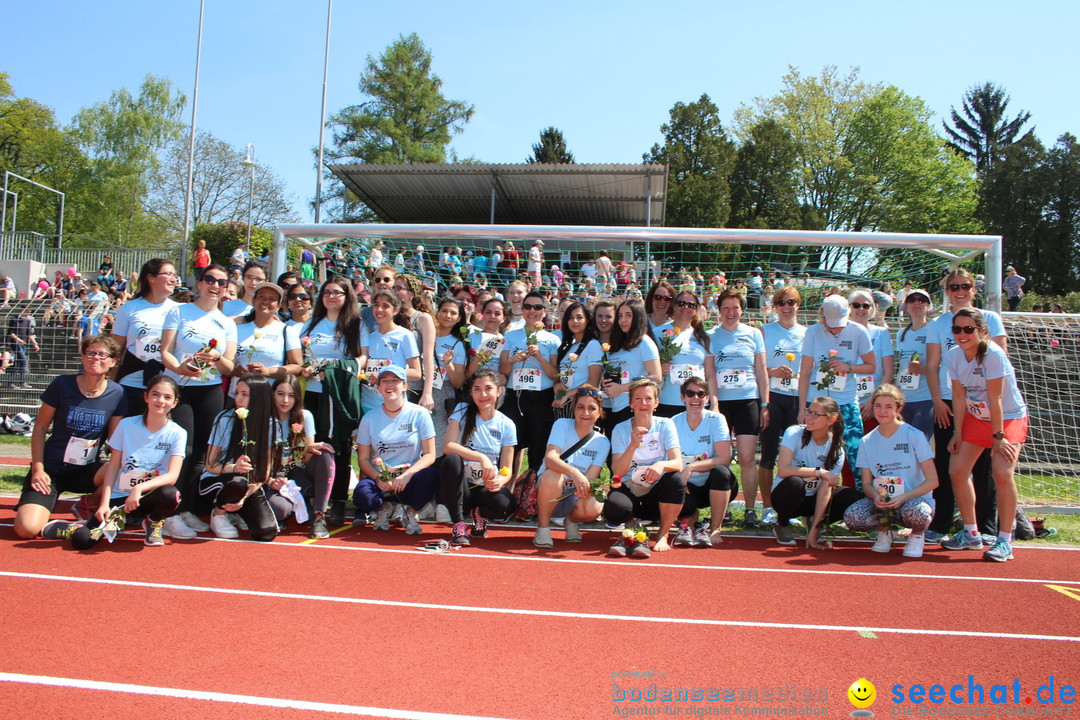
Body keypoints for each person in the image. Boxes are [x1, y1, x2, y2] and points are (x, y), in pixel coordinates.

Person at [49, 376, 186, 549]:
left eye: (167, 397)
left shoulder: (178, 433)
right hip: (120, 498)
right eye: (155, 395)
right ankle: (75, 528)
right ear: (146, 397)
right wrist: (104, 504)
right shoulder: (126, 425)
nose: (160, 401)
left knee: (171, 494)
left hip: (148, 498)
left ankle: (153, 522)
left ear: (174, 402)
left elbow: (172, 476)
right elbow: (113, 466)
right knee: (82, 542)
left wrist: (138, 488)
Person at [14, 336, 128, 540]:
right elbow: (39, 429)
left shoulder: (117, 393)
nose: (96, 358)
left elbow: (115, 440)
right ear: (82, 357)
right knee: (26, 529)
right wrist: (38, 469)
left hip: (86, 470)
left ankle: (87, 504)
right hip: (51, 470)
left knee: (123, 471)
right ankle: (69, 528)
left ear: (113, 361)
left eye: (103, 354)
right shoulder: (62, 384)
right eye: (91, 353)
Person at [924, 268, 1006, 544]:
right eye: (954, 286)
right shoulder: (938, 323)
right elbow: (933, 365)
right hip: (949, 401)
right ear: (946, 291)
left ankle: (987, 527)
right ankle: (942, 523)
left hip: (982, 404)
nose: (960, 291)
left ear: (974, 288)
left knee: (984, 467)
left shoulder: (990, 318)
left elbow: (1000, 362)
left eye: (965, 285)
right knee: (947, 462)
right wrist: (936, 400)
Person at [942, 308, 1028, 562]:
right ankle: (970, 533)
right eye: (957, 329)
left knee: (1002, 471)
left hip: (1008, 417)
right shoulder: (954, 356)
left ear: (981, 331)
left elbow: (996, 397)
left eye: (969, 329)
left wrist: (998, 437)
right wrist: (958, 432)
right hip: (977, 417)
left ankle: (1004, 540)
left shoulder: (993, 354)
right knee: (957, 470)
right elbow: (958, 396)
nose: (962, 334)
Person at [159, 263, 238, 539]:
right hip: (180, 389)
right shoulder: (178, 311)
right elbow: (165, 353)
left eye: (222, 282)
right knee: (184, 449)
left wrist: (216, 359)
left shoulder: (227, 322)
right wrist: (180, 369)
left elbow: (229, 367)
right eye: (210, 280)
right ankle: (170, 512)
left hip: (210, 390)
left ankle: (187, 509)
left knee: (203, 455)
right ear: (200, 283)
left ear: (227, 288)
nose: (216, 285)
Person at [843, 384, 939, 558]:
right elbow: (866, 483)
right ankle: (885, 530)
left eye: (888, 407)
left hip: (913, 501)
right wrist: (875, 496)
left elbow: (933, 481)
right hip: (885, 503)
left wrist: (904, 497)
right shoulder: (867, 441)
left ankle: (917, 535)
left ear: (898, 408)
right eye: (878, 406)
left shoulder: (914, 435)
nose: (882, 411)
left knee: (918, 514)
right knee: (853, 517)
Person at [300, 277, 363, 526]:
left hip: (338, 395)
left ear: (347, 296)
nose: (331, 296)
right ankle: (313, 499)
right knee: (311, 445)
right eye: (326, 292)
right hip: (312, 393)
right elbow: (299, 356)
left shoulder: (355, 325)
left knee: (339, 447)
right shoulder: (311, 324)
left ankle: (337, 501)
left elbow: (361, 358)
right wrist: (307, 368)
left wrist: (333, 368)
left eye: (337, 292)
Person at [797, 294, 875, 488]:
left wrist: (848, 368)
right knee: (815, 457)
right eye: (831, 324)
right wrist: (802, 408)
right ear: (823, 316)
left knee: (856, 454)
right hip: (817, 402)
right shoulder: (813, 332)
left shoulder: (858, 331)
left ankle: (859, 504)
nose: (836, 329)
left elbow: (871, 366)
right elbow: (805, 372)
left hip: (847, 402)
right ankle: (814, 509)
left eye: (839, 324)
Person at [353, 365, 438, 535]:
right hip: (383, 480)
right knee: (362, 494)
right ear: (378, 387)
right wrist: (378, 478)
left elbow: (430, 455)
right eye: (384, 381)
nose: (389, 385)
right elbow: (362, 459)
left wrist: (407, 475)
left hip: (408, 478)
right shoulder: (369, 418)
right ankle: (385, 507)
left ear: (405, 386)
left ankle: (410, 512)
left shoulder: (420, 414)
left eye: (395, 381)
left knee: (431, 476)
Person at [604, 378, 684, 557]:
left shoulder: (666, 424)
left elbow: (678, 463)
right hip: (630, 489)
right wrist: (632, 445)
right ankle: (631, 531)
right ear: (631, 403)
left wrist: (661, 464)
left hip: (656, 493)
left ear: (656, 403)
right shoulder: (620, 429)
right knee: (614, 507)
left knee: (676, 479)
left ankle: (662, 534)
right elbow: (618, 471)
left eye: (648, 398)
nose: (643, 403)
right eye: (638, 399)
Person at [709, 289, 769, 527]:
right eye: (725, 308)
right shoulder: (711, 335)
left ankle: (750, 510)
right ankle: (720, 509)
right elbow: (710, 372)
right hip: (722, 403)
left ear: (742, 309)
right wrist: (713, 403)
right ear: (719, 310)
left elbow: (762, 371)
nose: (730, 313)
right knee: (721, 458)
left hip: (747, 400)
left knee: (746, 457)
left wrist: (765, 404)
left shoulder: (754, 333)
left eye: (735, 307)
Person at [439, 369, 517, 545]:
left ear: (499, 391)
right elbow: (448, 446)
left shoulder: (507, 424)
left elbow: (507, 469)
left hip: (484, 487)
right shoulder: (461, 410)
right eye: (477, 389)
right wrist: (482, 458)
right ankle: (459, 524)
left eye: (488, 388)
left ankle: (479, 515)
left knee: (505, 505)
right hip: (461, 486)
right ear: (471, 392)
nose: (483, 394)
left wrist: (500, 481)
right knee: (451, 460)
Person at [772, 396, 861, 549]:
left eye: (816, 414)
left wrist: (815, 530)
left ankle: (813, 521)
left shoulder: (837, 449)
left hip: (813, 498)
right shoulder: (793, 433)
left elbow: (825, 491)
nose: (809, 418)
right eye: (809, 412)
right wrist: (819, 472)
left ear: (831, 419)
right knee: (795, 482)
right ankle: (782, 523)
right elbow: (784, 470)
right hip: (789, 496)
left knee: (852, 497)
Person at [199, 374, 279, 541]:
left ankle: (237, 510)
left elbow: (264, 472)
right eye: (237, 393)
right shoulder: (224, 419)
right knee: (237, 482)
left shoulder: (271, 424)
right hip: (218, 479)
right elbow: (210, 465)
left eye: (245, 394)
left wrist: (244, 497)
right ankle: (219, 514)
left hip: (248, 484)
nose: (238, 399)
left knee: (266, 532)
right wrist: (234, 468)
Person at [533, 386, 610, 547]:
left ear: (599, 412)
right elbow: (550, 458)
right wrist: (574, 473)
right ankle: (543, 529)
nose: (586, 413)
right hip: (549, 489)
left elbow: (591, 477)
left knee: (595, 504)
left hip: (574, 493)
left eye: (592, 408)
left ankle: (571, 521)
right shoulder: (562, 424)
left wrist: (584, 486)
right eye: (581, 407)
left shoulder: (603, 441)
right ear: (574, 409)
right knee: (554, 474)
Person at [757, 285, 806, 524]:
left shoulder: (807, 333)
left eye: (791, 302)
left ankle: (787, 508)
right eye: (782, 303)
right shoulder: (764, 331)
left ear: (798, 305)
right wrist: (773, 371)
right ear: (775, 306)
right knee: (768, 454)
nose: (787, 307)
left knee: (793, 457)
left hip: (797, 399)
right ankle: (767, 507)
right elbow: (756, 369)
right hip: (773, 397)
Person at [266, 376, 335, 538]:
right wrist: (270, 480)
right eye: (280, 394)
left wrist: (309, 447)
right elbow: (259, 461)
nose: (285, 400)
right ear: (272, 394)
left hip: (296, 475)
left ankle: (319, 515)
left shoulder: (305, 416)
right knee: (281, 511)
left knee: (325, 454)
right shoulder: (265, 419)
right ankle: (291, 507)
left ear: (297, 397)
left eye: (291, 395)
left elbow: (304, 459)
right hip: (270, 477)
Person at [499, 291, 559, 474]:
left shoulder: (552, 339)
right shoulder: (510, 336)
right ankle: (505, 492)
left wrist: (540, 357)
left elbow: (556, 374)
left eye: (537, 307)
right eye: (527, 307)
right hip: (515, 396)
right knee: (510, 446)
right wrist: (512, 360)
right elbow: (502, 370)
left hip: (541, 398)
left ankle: (532, 494)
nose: (532, 311)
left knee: (538, 447)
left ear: (545, 311)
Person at [670, 376, 735, 547]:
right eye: (690, 393)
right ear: (682, 397)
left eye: (701, 394)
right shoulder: (673, 423)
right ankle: (691, 524)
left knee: (721, 471)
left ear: (707, 398)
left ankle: (715, 528)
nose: (696, 398)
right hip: (687, 486)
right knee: (672, 483)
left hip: (714, 485)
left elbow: (724, 458)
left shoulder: (717, 420)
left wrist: (691, 467)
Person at [110, 259, 180, 414]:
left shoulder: (181, 310)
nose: (174, 279)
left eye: (175, 275)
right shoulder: (129, 308)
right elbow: (115, 349)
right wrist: (109, 383)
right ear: (151, 278)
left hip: (167, 386)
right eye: (168, 274)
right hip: (131, 384)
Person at [601, 300, 662, 437]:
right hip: (614, 408)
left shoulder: (644, 342)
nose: (623, 320)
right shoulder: (616, 344)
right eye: (620, 316)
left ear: (638, 317)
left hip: (632, 408)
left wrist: (621, 389)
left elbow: (656, 377)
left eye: (628, 315)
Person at [231, 282, 302, 398]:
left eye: (272, 299)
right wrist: (235, 371)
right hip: (238, 396)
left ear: (279, 306)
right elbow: (228, 363)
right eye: (261, 297)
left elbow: (298, 366)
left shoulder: (287, 331)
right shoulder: (236, 329)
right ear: (253, 301)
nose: (265, 302)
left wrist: (267, 371)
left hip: (270, 396)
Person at [653, 290, 716, 418]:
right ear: (674, 306)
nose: (685, 307)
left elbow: (710, 374)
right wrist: (659, 370)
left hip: (696, 403)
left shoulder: (703, 338)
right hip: (665, 402)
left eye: (691, 305)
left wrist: (714, 404)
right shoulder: (657, 333)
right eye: (681, 303)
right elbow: (647, 367)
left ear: (696, 309)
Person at [359, 289, 421, 411]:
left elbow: (416, 373)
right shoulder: (368, 337)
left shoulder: (405, 335)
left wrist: (385, 373)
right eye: (376, 305)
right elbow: (364, 365)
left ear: (396, 310)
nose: (379, 310)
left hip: (395, 403)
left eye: (385, 306)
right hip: (368, 403)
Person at [848, 288, 895, 428]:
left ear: (872, 309)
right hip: (848, 401)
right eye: (856, 305)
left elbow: (889, 372)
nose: (861, 309)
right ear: (848, 307)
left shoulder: (881, 334)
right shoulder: (840, 333)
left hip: (874, 404)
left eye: (866, 305)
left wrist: (873, 401)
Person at [892, 288, 934, 439]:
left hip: (926, 399)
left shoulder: (934, 330)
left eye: (922, 300)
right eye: (912, 300)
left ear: (929, 307)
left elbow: (944, 368)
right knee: (903, 445)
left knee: (918, 445)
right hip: (904, 399)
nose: (917, 303)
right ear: (905, 306)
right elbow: (902, 368)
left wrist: (922, 369)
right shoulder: (900, 334)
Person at [392, 274, 437, 411]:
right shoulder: (389, 318)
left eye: (399, 288)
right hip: (390, 385)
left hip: (414, 386)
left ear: (411, 293)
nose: (394, 291)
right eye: (393, 288)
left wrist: (427, 393)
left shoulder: (422, 319)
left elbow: (428, 358)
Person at [553, 302, 603, 417]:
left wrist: (568, 395)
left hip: (582, 407)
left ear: (588, 320)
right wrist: (557, 386)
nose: (575, 321)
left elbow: (593, 382)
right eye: (571, 318)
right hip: (562, 405)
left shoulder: (593, 345)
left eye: (579, 317)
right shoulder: (568, 346)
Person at [7, 304, 39, 389]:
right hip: (16, 343)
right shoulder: (14, 319)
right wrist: (19, 340)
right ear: (22, 311)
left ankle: (12, 383)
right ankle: (22, 382)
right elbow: (11, 333)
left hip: (23, 344)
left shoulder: (27, 321)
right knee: (24, 361)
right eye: (27, 312)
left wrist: (35, 343)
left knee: (18, 363)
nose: (28, 314)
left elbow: (30, 334)